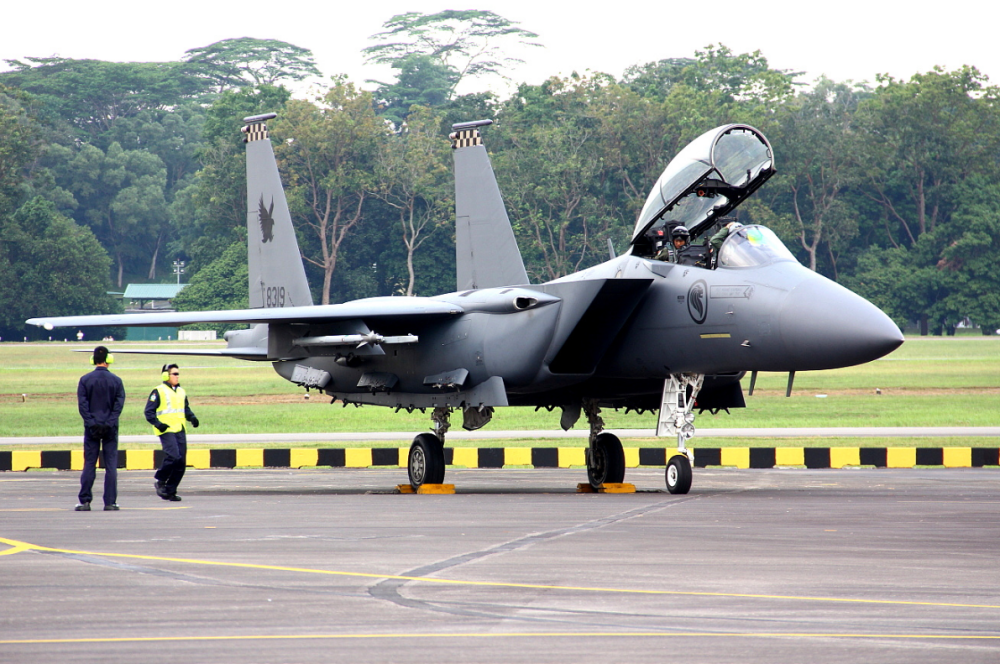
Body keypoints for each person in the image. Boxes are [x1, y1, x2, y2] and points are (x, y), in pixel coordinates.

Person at [76, 346, 125, 511]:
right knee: (110, 465)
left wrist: (92, 423)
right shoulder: (116, 381)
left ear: (93, 360)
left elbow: (83, 406)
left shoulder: (85, 380)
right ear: (109, 360)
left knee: (90, 463)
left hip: (92, 428)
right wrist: (109, 423)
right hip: (110, 428)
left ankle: (85, 501)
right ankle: (110, 502)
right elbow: (118, 406)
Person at [145, 364, 199, 501]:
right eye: (174, 374)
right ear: (166, 376)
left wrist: (192, 418)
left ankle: (170, 491)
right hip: (166, 429)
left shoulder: (181, 391)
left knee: (181, 462)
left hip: (179, 429)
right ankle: (160, 479)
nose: (177, 376)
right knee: (173, 456)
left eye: (178, 374)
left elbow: (185, 409)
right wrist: (159, 425)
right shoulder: (158, 391)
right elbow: (148, 412)